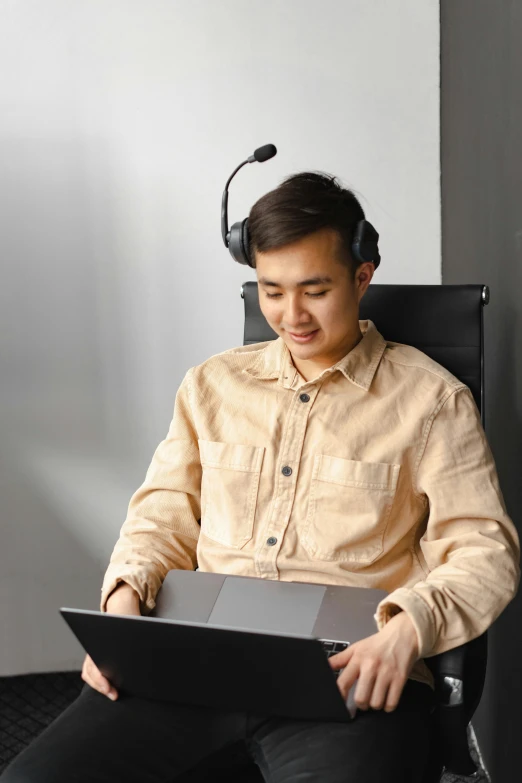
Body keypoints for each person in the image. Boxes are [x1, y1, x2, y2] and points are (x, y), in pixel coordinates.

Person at [2, 172, 519, 783]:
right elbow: (161, 515)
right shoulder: (211, 386)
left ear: (362, 275)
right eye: (271, 291)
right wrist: (122, 611)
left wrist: (409, 627)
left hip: (348, 674)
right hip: (196, 659)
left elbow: (485, 551)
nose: (290, 315)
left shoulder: (431, 401)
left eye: (314, 289)